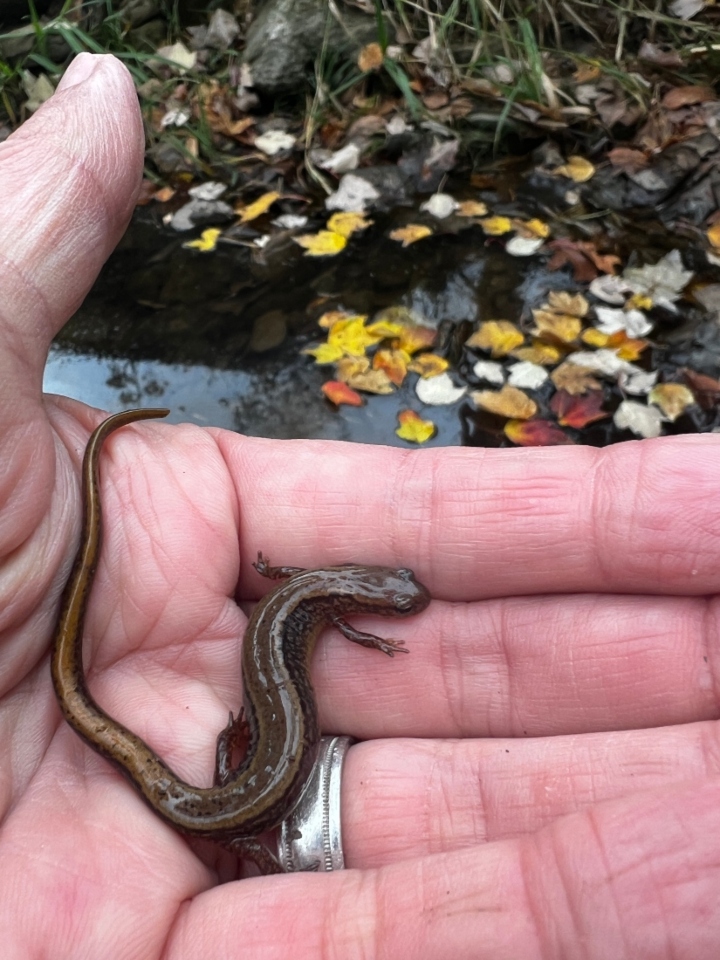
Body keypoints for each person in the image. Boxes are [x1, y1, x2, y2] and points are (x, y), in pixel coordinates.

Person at [1, 52, 719, 959]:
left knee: (244, 741)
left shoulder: (310, 595)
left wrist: (304, 632)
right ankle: (236, 805)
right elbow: (315, 609)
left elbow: (297, 594)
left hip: (239, 768)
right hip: (233, 801)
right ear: (354, 598)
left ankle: (232, 783)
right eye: (385, 603)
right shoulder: (318, 603)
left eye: (385, 601)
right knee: (237, 769)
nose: (393, 605)